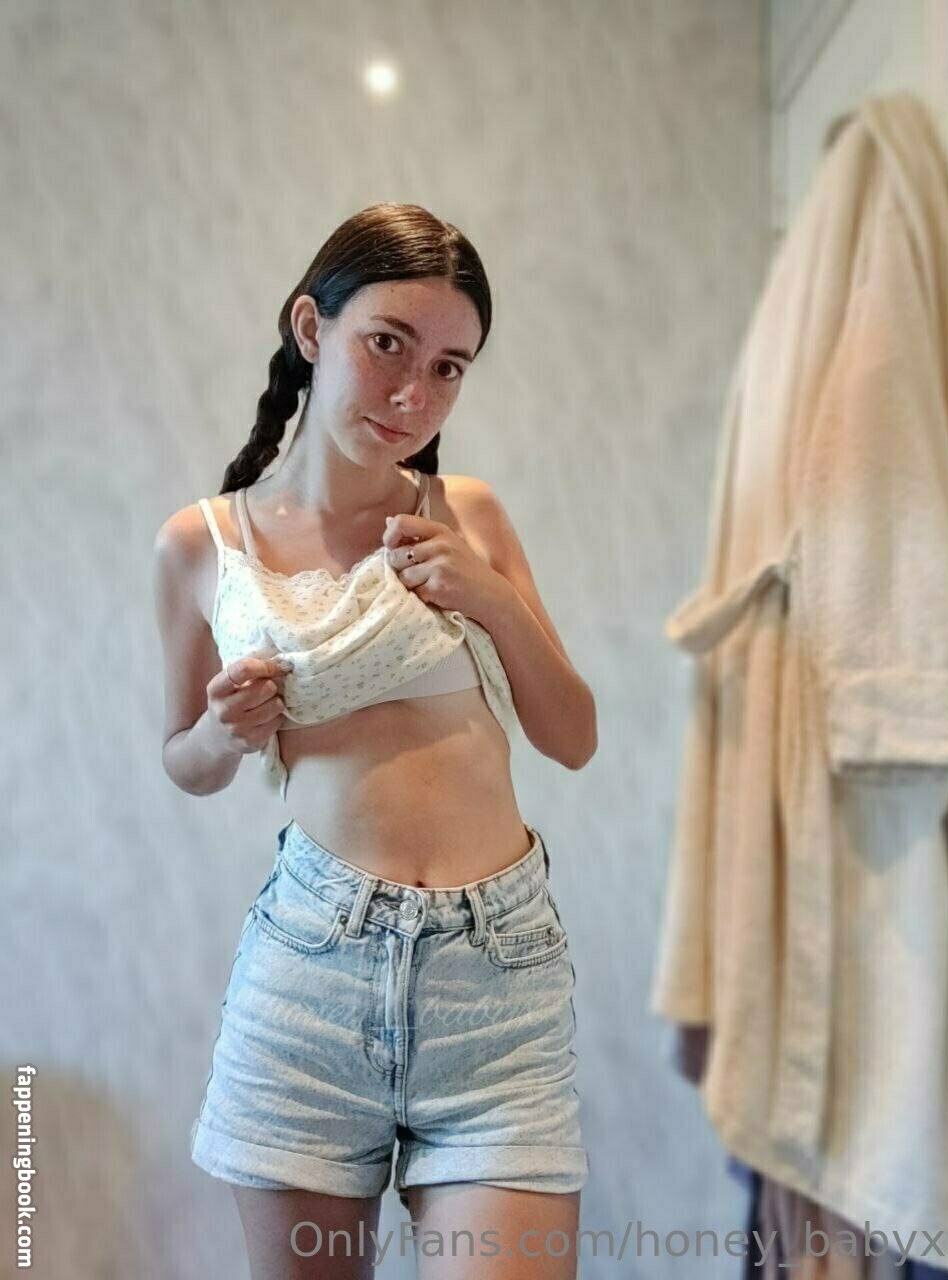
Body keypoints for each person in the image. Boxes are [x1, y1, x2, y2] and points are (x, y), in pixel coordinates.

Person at [153, 202, 596, 1280]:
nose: (413, 395)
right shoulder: (200, 544)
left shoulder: (466, 514)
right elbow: (183, 761)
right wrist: (221, 729)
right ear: (313, 328)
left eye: (449, 368)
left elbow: (573, 736)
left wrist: (489, 596)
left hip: (497, 981)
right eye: (388, 344)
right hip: (310, 976)